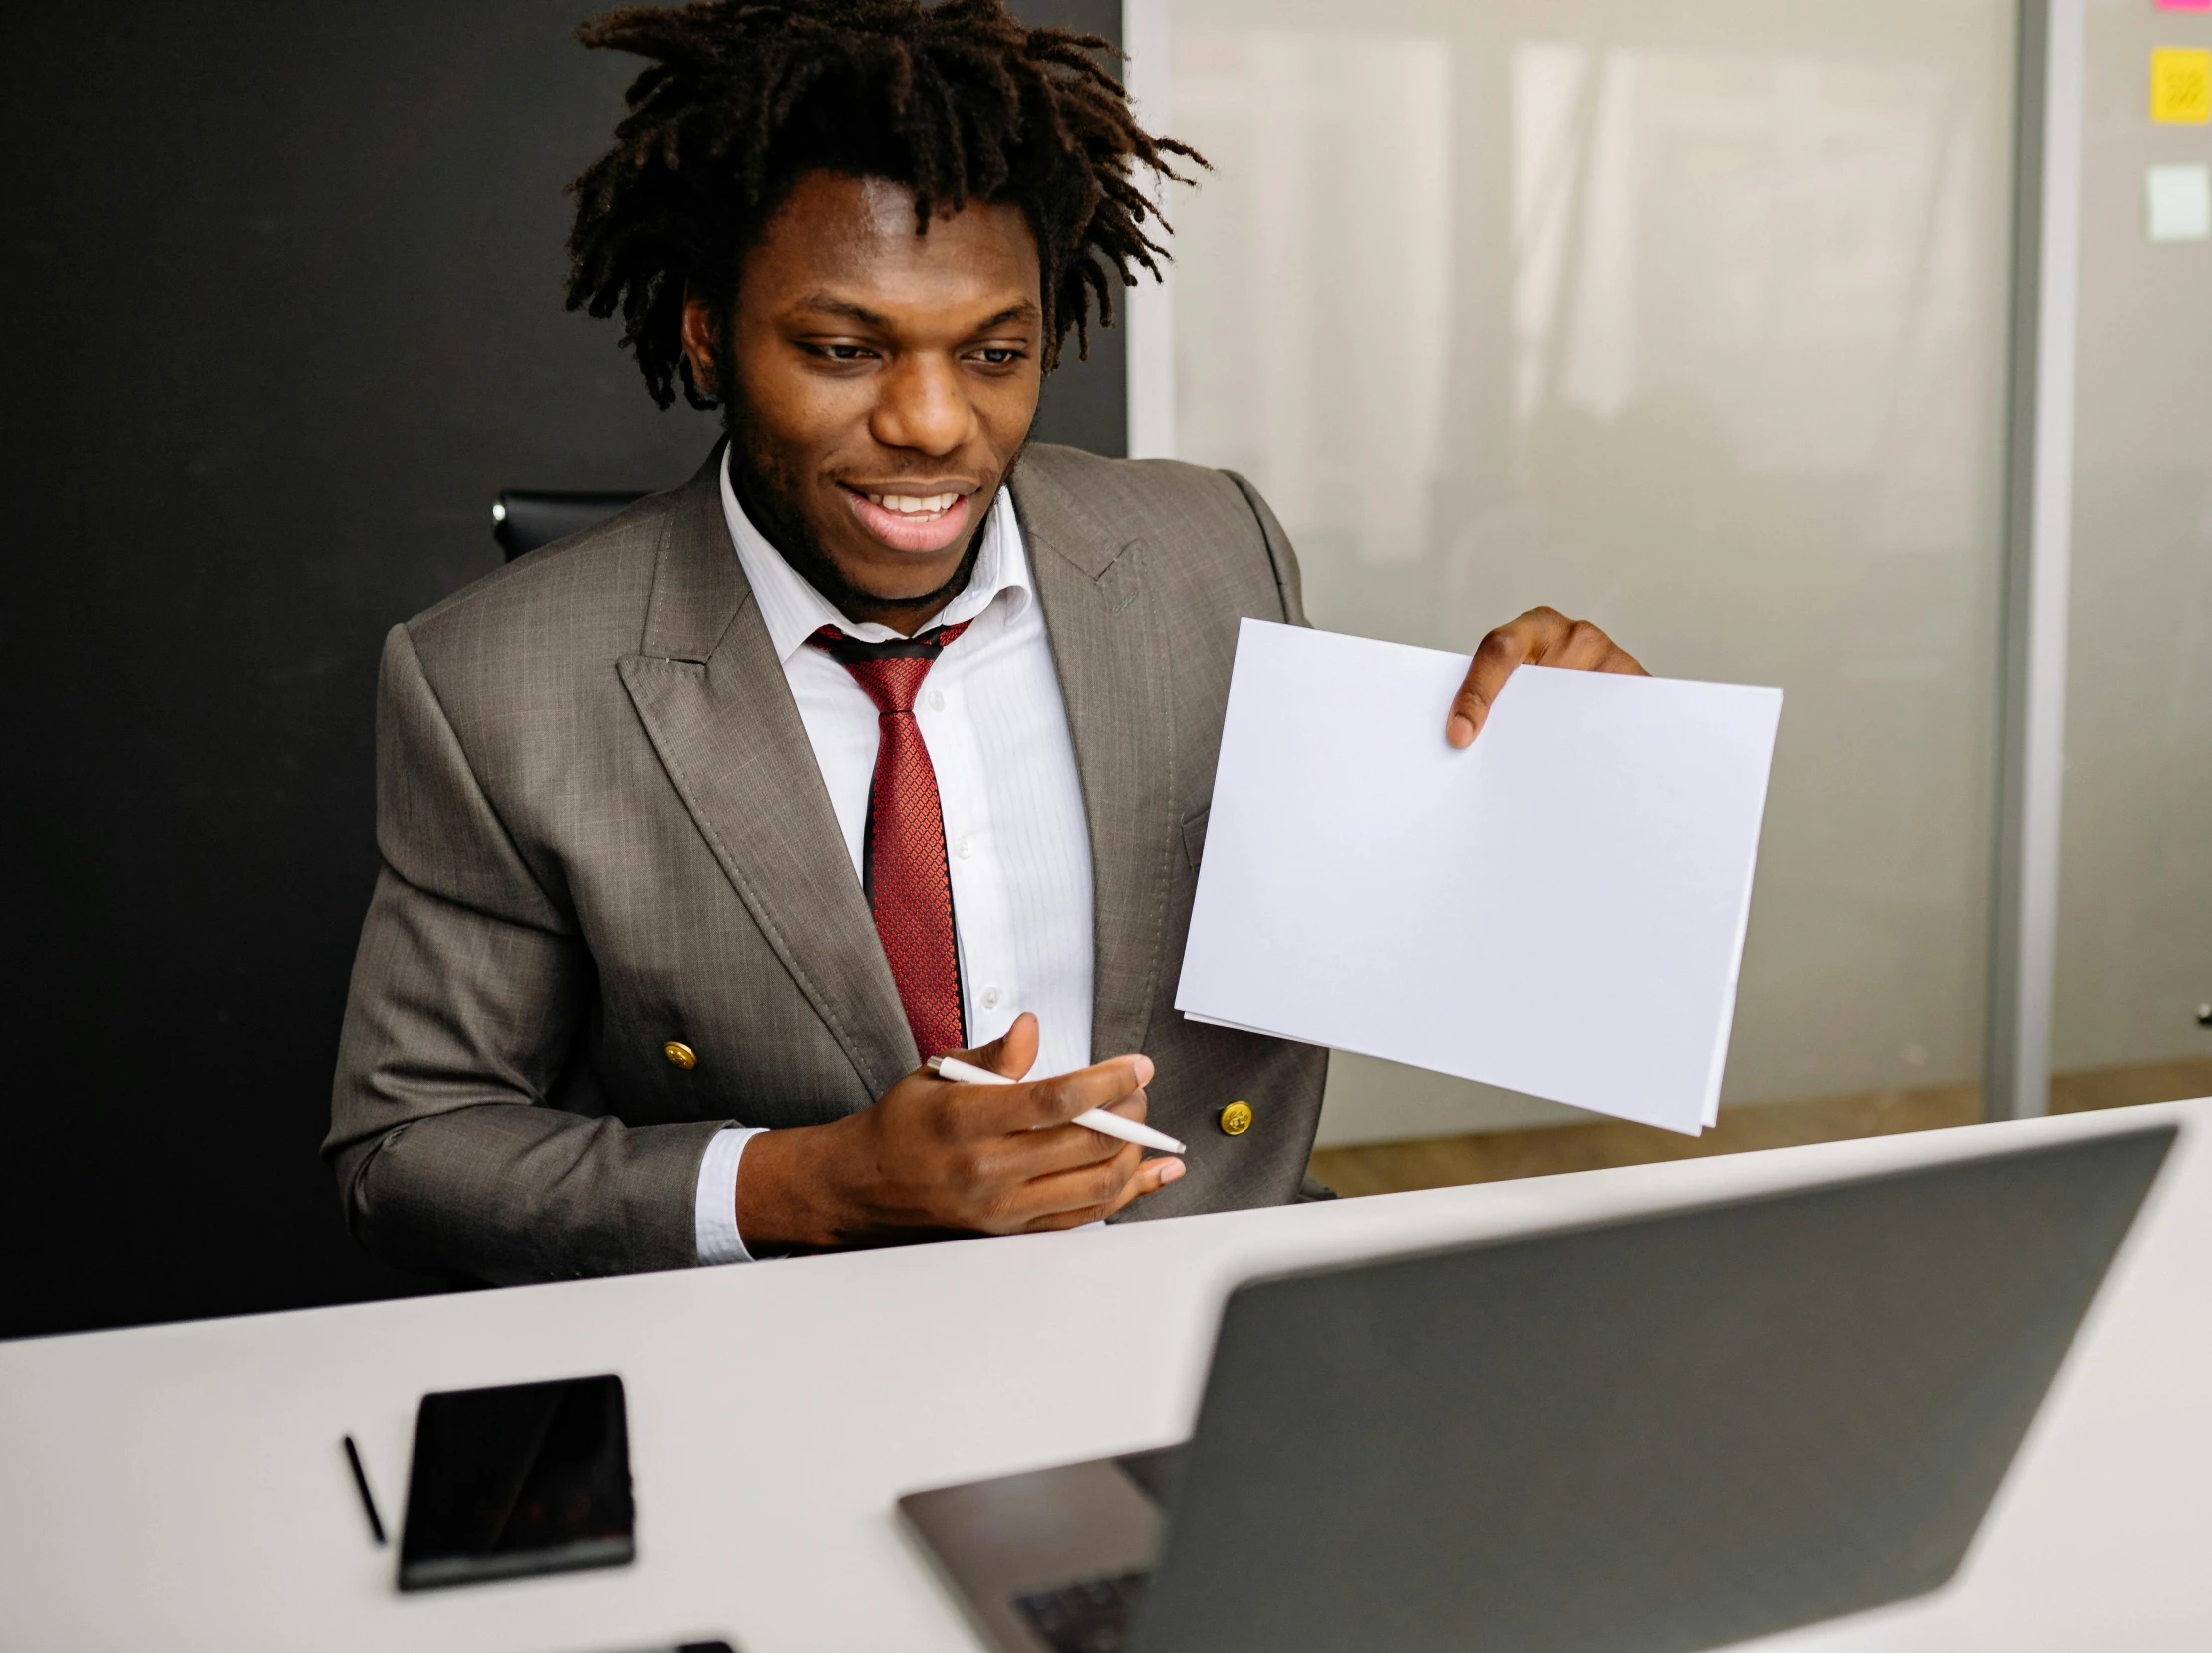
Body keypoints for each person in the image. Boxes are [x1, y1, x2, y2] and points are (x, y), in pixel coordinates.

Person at [324, 0, 1644, 1285]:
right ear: (707, 333)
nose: (934, 422)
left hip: (1215, 1318)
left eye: (996, 350)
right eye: (847, 346)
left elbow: (1361, 925)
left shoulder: (1208, 548)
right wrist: (818, 1180)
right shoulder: (494, 682)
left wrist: (1555, 773)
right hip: (788, 1370)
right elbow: (408, 1146)